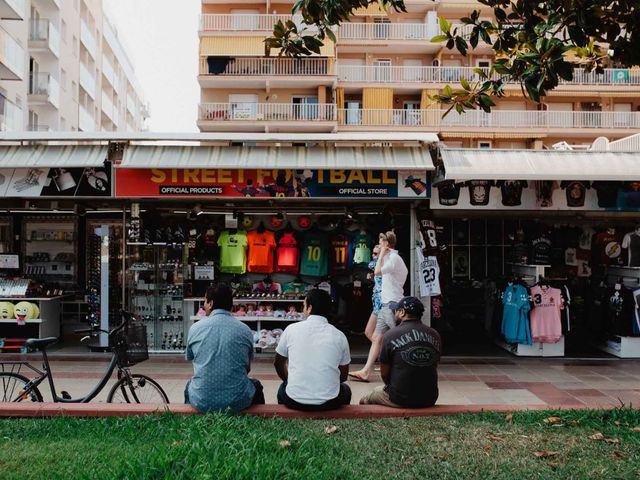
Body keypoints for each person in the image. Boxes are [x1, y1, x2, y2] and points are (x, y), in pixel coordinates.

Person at [184, 284, 264, 413]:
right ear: (231, 305)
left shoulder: (195, 328)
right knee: (255, 385)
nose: (204, 305)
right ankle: (258, 421)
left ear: (210, 304)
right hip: (238, 401)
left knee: (189, 385)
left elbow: (190, 357)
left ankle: (191, 422)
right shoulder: (245, 330)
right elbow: (247, 368)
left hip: (202, 400)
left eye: (205, 301)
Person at [274, 289, 352, 411]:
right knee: (346, 390)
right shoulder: (339, 336)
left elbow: (278, 363)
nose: (303, 309)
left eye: (304, 305)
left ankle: (287, 417)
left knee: (281, 389)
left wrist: (289, 380)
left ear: (309, 307)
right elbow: (343, 376)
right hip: (329, 402)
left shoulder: (291, 330)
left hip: (294, 400)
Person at [360, 296, 441, 408]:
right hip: (430, 398)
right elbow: (433, 365)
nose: (394, 313)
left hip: (400, 399)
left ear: (402, 312)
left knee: (370, 395)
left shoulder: (390, 334)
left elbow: (384, 373)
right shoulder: (435, 334)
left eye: (396, 310)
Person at [349, 231, 408, 382]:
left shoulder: (394, 258)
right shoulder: (390, 257)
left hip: (392, 303)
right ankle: (366, 371)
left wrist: (381, 253)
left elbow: (377, 272)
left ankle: (404, 367)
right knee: (376, 337)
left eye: (381, 242)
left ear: (387, 244)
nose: (379, 245)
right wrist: (381, 254)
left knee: (397, 337)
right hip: (385, 303)